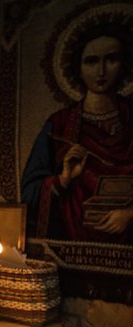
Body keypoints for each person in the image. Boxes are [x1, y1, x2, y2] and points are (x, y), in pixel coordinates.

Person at [22, 23, 133, 244]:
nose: (101, 71)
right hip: (70, 253)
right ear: (78, 69)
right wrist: (63, 179)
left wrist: (130, 214)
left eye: (111, 59)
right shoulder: (59, 125)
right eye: (91, 61)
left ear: (123, 65)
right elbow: (28, 194)